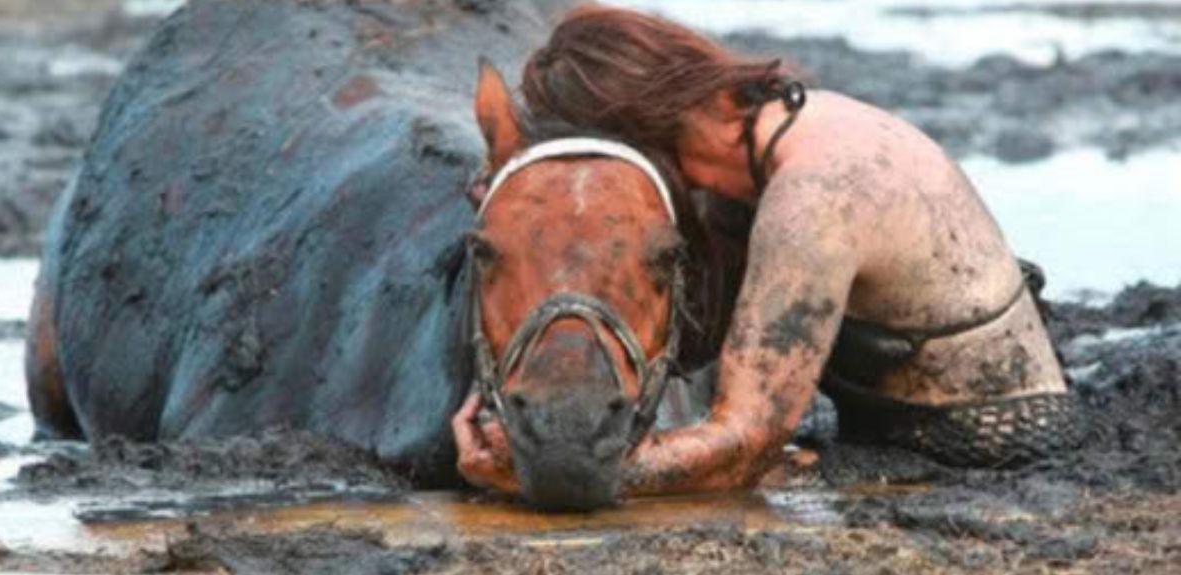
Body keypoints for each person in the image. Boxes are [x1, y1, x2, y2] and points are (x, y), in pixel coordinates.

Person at [454, 5, 1090, 496]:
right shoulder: (782, 136)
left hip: (975, 449)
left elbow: (745, 443)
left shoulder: (813, 199)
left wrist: (554, 468)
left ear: (642, 125)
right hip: (904, 423)